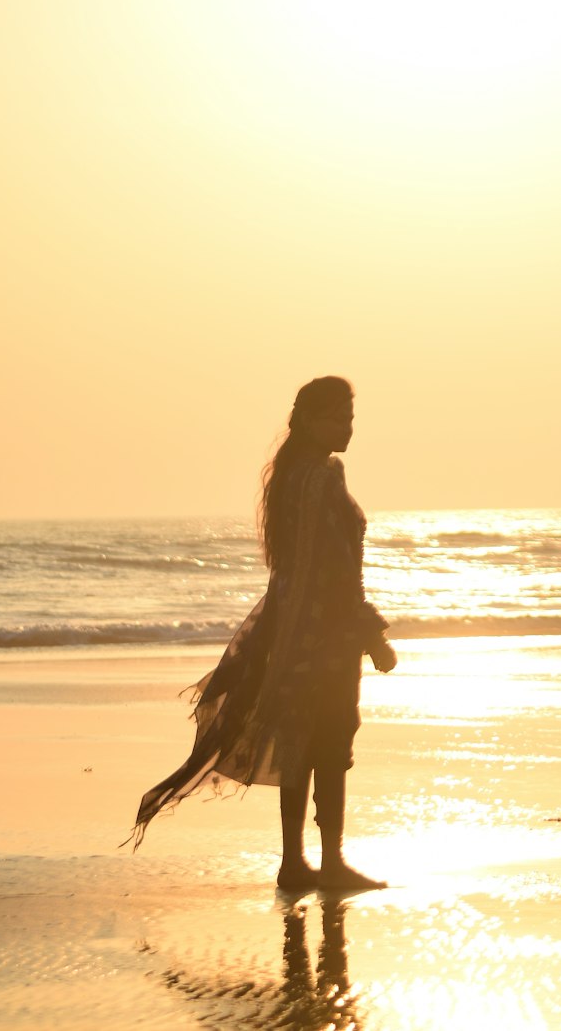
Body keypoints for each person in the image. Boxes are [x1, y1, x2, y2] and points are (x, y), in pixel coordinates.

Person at [129, 376, 396, 891]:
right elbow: (338, 571)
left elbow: (294, 570)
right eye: (339, 418)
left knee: (301, 743)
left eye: (351, 419)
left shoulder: (290, 476)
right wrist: (372, 635)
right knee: (332, 742)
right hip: (326, 638)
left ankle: (294, 863)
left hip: (291, 632)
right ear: (311, 421)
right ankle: (330, 863)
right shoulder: (321, 478)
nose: (347, 428)